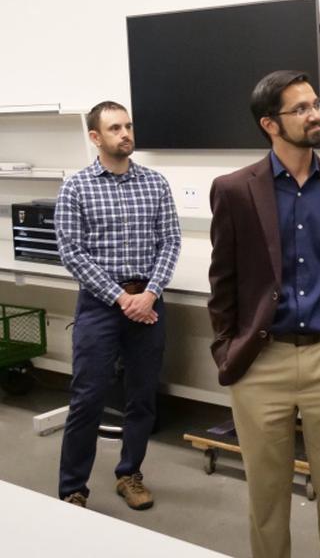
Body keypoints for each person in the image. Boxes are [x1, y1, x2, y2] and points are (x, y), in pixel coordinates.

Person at [207, 70, 320, 558]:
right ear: (270, 124)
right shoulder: (236, 189)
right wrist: (227, 349)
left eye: (316, 104)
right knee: (266, 495)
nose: (315, 114)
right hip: (261, 363)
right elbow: (224, 281)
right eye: (300, 108)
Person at [55, 101, 181, 510]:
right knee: (88, 398)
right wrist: (121, 298)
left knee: (142, 397)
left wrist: (150, 293)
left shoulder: (155, 183)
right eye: (114, 128)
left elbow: (170, 242)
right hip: (100, 306)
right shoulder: (77, 187)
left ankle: (129, 474)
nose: (125, 134)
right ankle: (73, 487)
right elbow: (72, 253)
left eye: (128, 125)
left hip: (148, 302)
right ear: (96, 137)